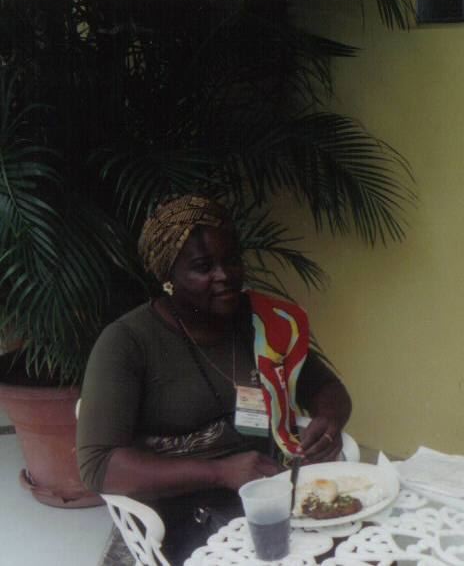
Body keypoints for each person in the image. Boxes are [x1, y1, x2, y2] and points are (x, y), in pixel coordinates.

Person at [77, 194, 352, 563]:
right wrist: (220, 473)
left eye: (231, 260)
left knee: (364, 549)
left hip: (274, 490)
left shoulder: (263, 322)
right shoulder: (127, 343)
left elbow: (326, 388)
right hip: (183, 509)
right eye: (204, 266)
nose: (224, 275)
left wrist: (329, 421)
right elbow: (98, 465)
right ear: (169, 276)